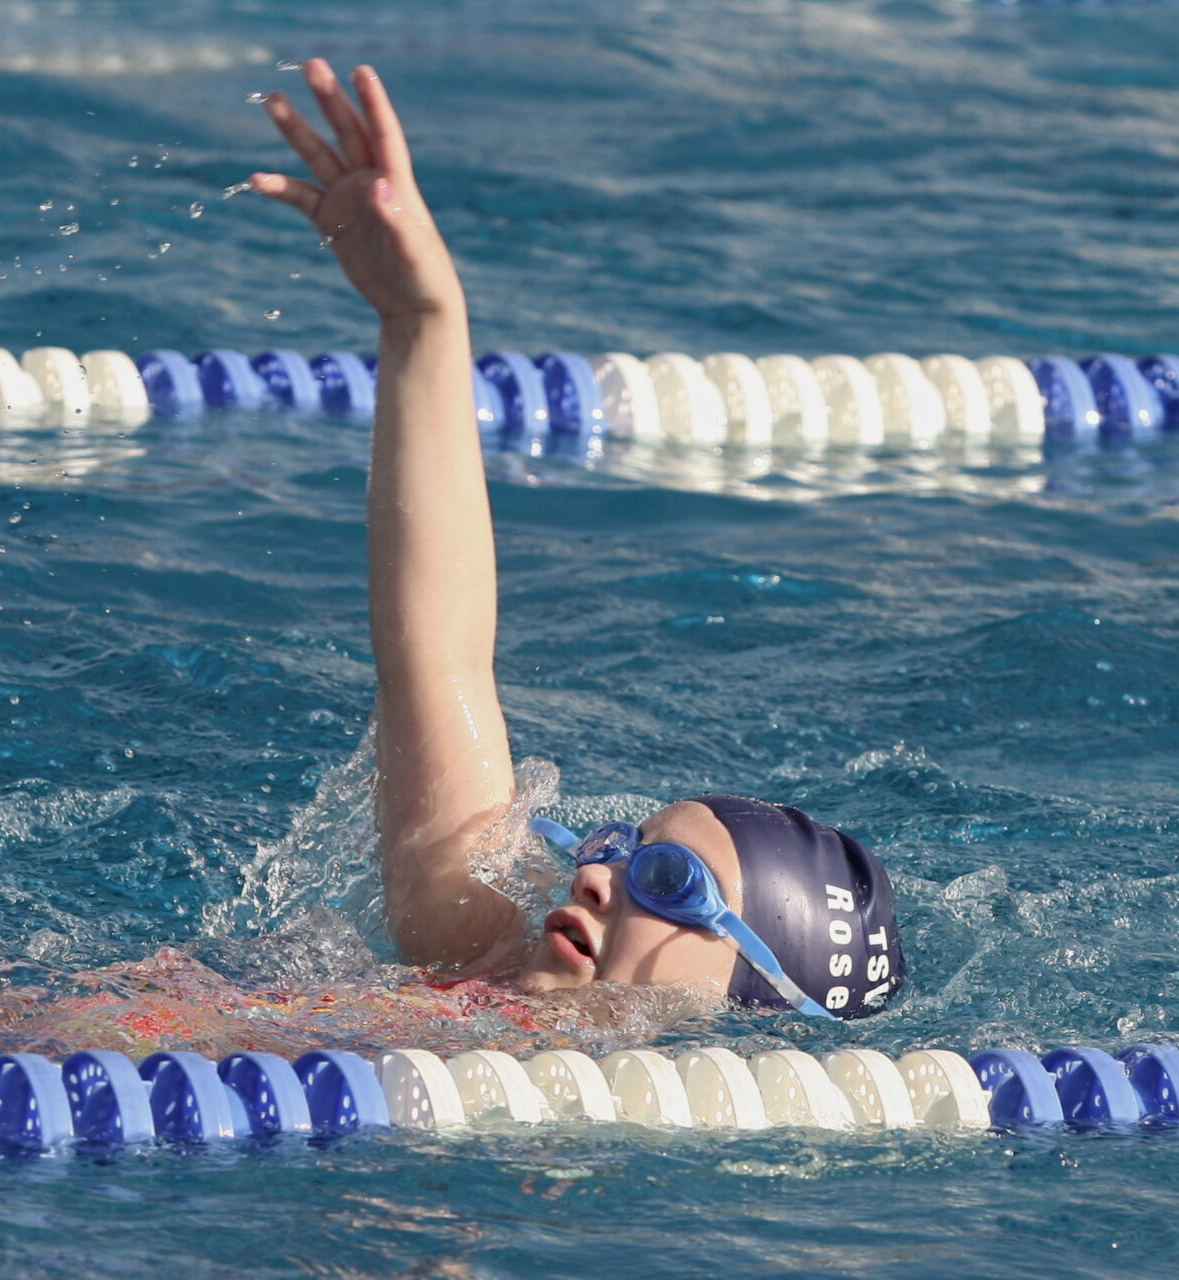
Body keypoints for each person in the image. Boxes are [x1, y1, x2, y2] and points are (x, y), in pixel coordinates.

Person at [248, 60, 904, 1021]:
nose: (599, 878)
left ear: (752, 983)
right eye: (622, 847)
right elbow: (440, 662)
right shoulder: (468, 941)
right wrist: (423, 320)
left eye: (669, 885)